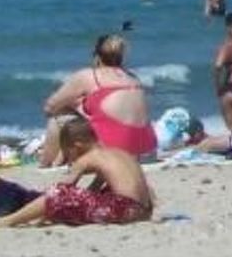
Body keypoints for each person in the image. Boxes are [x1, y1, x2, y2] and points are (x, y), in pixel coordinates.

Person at [0, 115, 153, 228]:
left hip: (122, 209)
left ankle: (7, 221)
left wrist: (47, 208)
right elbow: (94, 191)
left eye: (67, 153)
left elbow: (63, 188)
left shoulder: (88, 158)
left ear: (77, 146)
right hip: (143, 211)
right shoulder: (118, 152)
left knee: (56, 193)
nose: (68, 159)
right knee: (100, 194)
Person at [40, 32, 155, 166]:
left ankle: (45, 163)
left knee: (58, 116)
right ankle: (59, 159)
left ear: (97, 57)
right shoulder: (133, 78)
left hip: (114, 153)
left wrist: (73, 106)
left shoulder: (89, 76)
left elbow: (49, 107)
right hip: (147, 152)